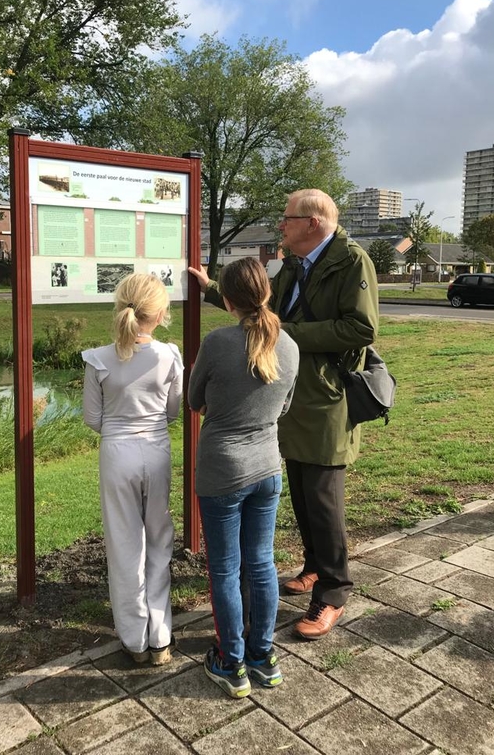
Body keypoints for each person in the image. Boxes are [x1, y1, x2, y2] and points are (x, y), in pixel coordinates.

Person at [189, 189, 379, 641]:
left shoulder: (352, 262)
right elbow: (262, 308)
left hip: (326, 400)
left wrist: (287, 335)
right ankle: (314, 567)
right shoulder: (295, 263)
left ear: (312, 222)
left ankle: (333, 592)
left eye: (287, 218)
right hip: (291, 396)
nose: (281, 225)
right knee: (300, 491)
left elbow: (361, 328)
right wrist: (214, 290)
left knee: (323, 499)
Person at [188, 257, 299, 698]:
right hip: (268, 468)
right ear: (266, 293)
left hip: (222, 471)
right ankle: (262, 657)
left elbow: (194, 399)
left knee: (225, 569)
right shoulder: (289, 346)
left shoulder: (217, 343)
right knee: (261, 564)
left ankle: (230, 661)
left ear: (228, 300)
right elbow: (284, 407)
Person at [82, 273, 183, 665]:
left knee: (124, 545)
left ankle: (134, 639)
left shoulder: (98, 359)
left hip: (116, 453)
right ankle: (161, 637)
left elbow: (93, 419)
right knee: (159, 539)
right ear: (159, 314)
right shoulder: (169, 356)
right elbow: (172, 412)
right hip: (156, 451)